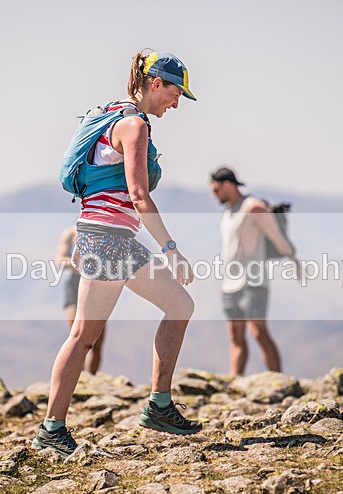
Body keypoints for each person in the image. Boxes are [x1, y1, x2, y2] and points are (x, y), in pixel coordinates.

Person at [32, 50, 202, 458]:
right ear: (156, 83)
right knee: (84, 336)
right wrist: (172, 250)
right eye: (176, 92)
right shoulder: (133, 126)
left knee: (178, 306)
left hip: (107, 238)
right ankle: (51, 430)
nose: (177, 102)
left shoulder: (113, 116)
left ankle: (159, 406)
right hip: (108, 239)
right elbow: (140, 196)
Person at [210, 166, 299, 376]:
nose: (214, 195)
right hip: (229, 283)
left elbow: (278, 238)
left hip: (253, 281)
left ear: (228, 185)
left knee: (259, 332)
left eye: (216, 190)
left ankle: (278, 380)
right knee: (235, 335)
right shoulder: (228, 212)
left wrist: (293, 258)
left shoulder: (253, 208)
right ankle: (235, 380)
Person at [55, 225, 105, 375]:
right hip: (75, 285)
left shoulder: (102, 231)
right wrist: (82, 265)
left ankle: (92, 379)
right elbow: (60, 261)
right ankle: (75, 378)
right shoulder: (70, 233)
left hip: (96, 285)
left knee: (96, 342)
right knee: (75, 337)